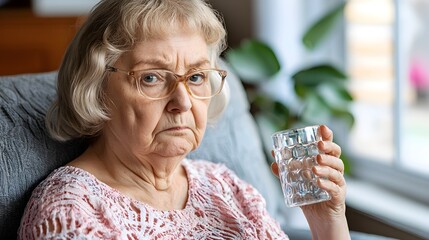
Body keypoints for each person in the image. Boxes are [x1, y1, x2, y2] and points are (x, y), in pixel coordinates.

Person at [19, 0, 350, 239]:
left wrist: (327, 223)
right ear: (95, 88)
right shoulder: (70, 210)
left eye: (195, 78)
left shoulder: (225, 186)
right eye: (152, 78)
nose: (182, 102)